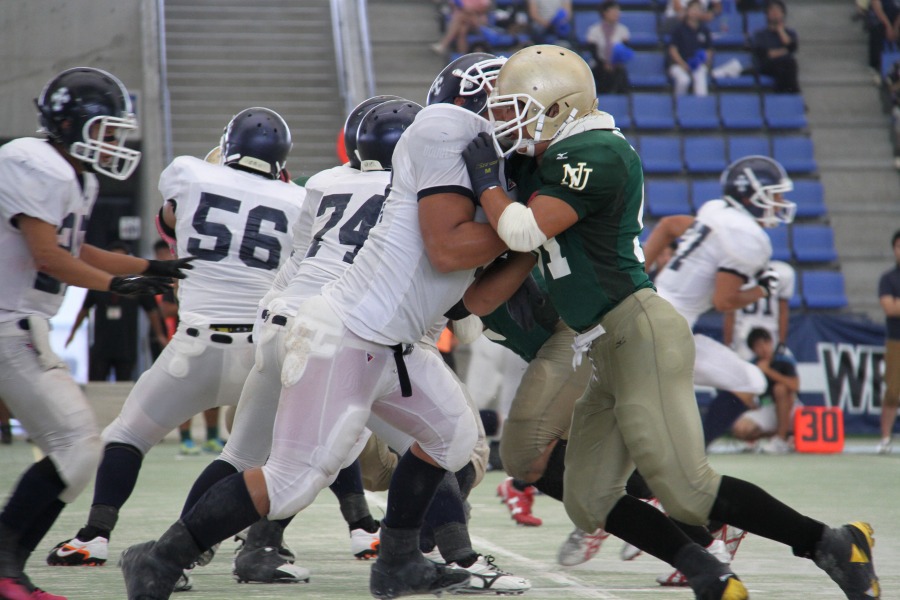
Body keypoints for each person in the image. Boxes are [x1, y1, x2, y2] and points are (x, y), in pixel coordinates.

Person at [460, 44, 880, 599]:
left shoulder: (597, 151)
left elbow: (521, 231)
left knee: (688, 490)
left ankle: (831, 542)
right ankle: (708, 572)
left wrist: (487, 180)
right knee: (588, 499)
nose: (507, 124)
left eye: (519, 111)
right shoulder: (553, 153)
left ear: (561, 107)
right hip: (600, 346)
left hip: (638, 330)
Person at [119, 53, 536, 600]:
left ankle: (399, 563)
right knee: (289, 481)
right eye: (501, 101)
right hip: (350, 334)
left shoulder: (474, 163)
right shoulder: (441, 131)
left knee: (452, 438)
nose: (511, 114)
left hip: (391, 341)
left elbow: (474, 294)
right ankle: (158, 559)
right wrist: (529, 225)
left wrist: (526, 231)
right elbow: (447, 248)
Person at [46, 107, 303, 589]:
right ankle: (174, 555)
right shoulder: (299, 199)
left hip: (194, 348)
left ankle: (94, 535)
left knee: (126, 435)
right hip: (259, 354)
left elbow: (169, 222)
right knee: (241, 460)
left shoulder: (188, 172)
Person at [0, 66, 185, 600]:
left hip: (19, 322)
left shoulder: (74, 176)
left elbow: (74, 248)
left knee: (75, 449)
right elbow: (47, 256)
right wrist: (115, 284)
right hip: (8, 321)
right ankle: (6, 568)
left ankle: (9, 569)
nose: (112, 142)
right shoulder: (33, 162)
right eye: (104, 129)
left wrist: (149, 266)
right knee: (76, 445)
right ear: (69, 123)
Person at [65, 241, 169, 382]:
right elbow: (84, 309)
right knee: (98, 381)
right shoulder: (99, 282)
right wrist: (72, 332)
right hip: (102, 344)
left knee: (124, 382)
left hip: (126, 344)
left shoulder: (136, 284)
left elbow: (152, 310)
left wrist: (160, 334)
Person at [724, 259, 795, 361]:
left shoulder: (736, 272)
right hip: (749, 334)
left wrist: (728, 343)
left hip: (757, 334)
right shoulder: (780, 273)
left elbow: (783, 311)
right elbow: (783, 312)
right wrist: (781, 342)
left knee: (785, 363)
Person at [876, 229, 900, 454]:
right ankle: (885, 438)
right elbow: (890, 308)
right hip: (896, 340)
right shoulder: (888, 278)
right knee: (892, 390)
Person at [750, 0, 800, 94]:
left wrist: (781, 30)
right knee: (786, 65)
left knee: (788, 65)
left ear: (783, 14)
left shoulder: (789, 33)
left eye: (778, 11)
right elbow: (764, 53)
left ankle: (784, 94)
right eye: (772, 10)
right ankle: (793, 94)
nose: (775, 13)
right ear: (767, 14)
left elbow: (792, 47)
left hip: (784, 65)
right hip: (766, 65)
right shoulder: (760, 34)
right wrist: (784, 51)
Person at [667, 0, 714, 96]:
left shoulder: (704, 30)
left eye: (698, 9)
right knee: (684, 80)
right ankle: (679, 103)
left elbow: (709, 50)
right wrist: (683, 64)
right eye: (693, 9)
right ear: (687, 11)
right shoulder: (679, 29)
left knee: (700, 74)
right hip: (679, 65)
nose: (695, 12)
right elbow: (673, 50)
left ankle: (701, 103)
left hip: (697, 64)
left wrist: (703, 60)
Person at [585, 1, 632, 95]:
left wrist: (614, 63)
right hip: (599, 64)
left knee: (621, 74)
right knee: (601, 74)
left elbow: (625, 50)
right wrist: (604, 64)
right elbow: (593, 51)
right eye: (613, 11)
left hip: (617, 65)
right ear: (605, 13)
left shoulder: (623, 30)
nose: (616, 14)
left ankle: (622, 99)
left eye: (617, 11)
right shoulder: (594, 30)